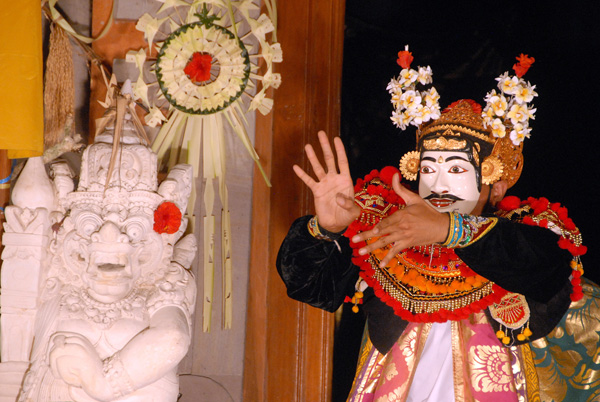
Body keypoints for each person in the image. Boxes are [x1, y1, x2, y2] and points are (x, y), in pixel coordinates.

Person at [277, 51, 600, 401]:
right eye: (429, 170)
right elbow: (310, 287)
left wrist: (450, 230)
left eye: (457, 170)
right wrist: (327, 230)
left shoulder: (522, 236)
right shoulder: (386, 231)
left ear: (496, 183)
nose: (439, 185)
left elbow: (546, 268)